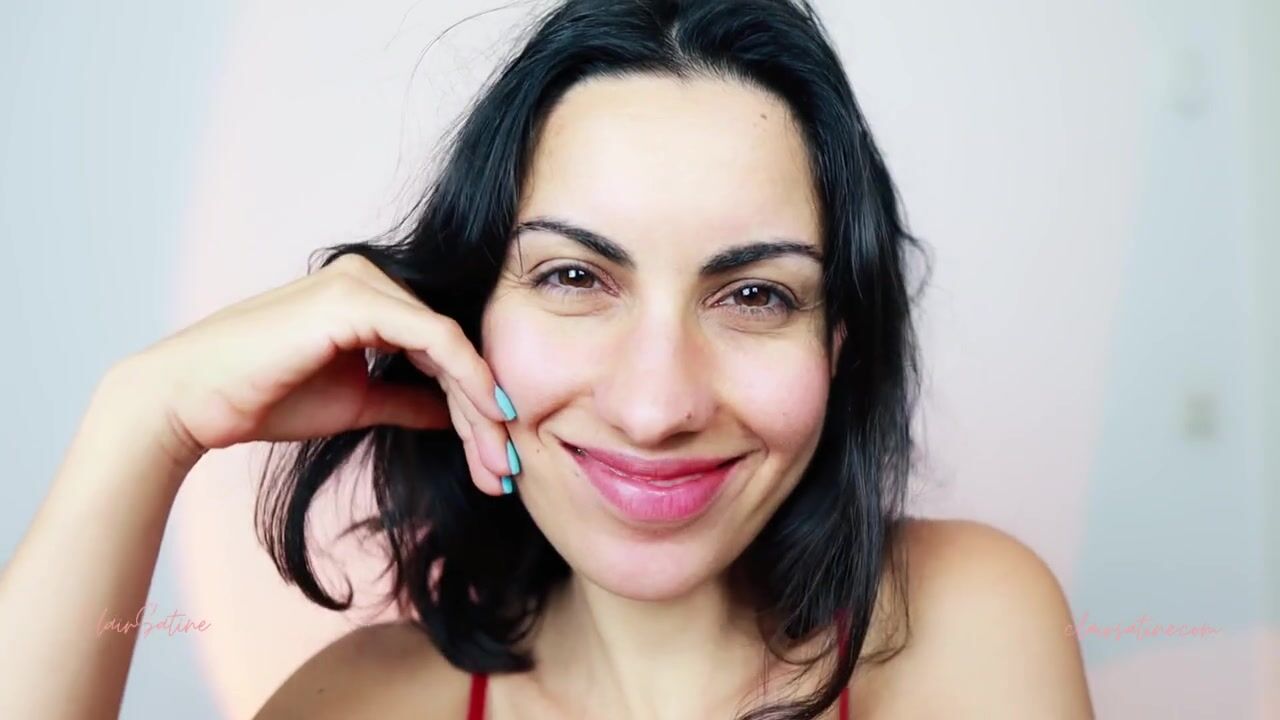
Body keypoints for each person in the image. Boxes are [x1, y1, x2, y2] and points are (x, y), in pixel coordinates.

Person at [0, 0, 1093, 718]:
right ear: (467, 320)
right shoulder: (360, 705)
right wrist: (145, 420)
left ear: (837, 345)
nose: (656, 405)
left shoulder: (966, 626)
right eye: (574, 277)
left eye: (755, 295)